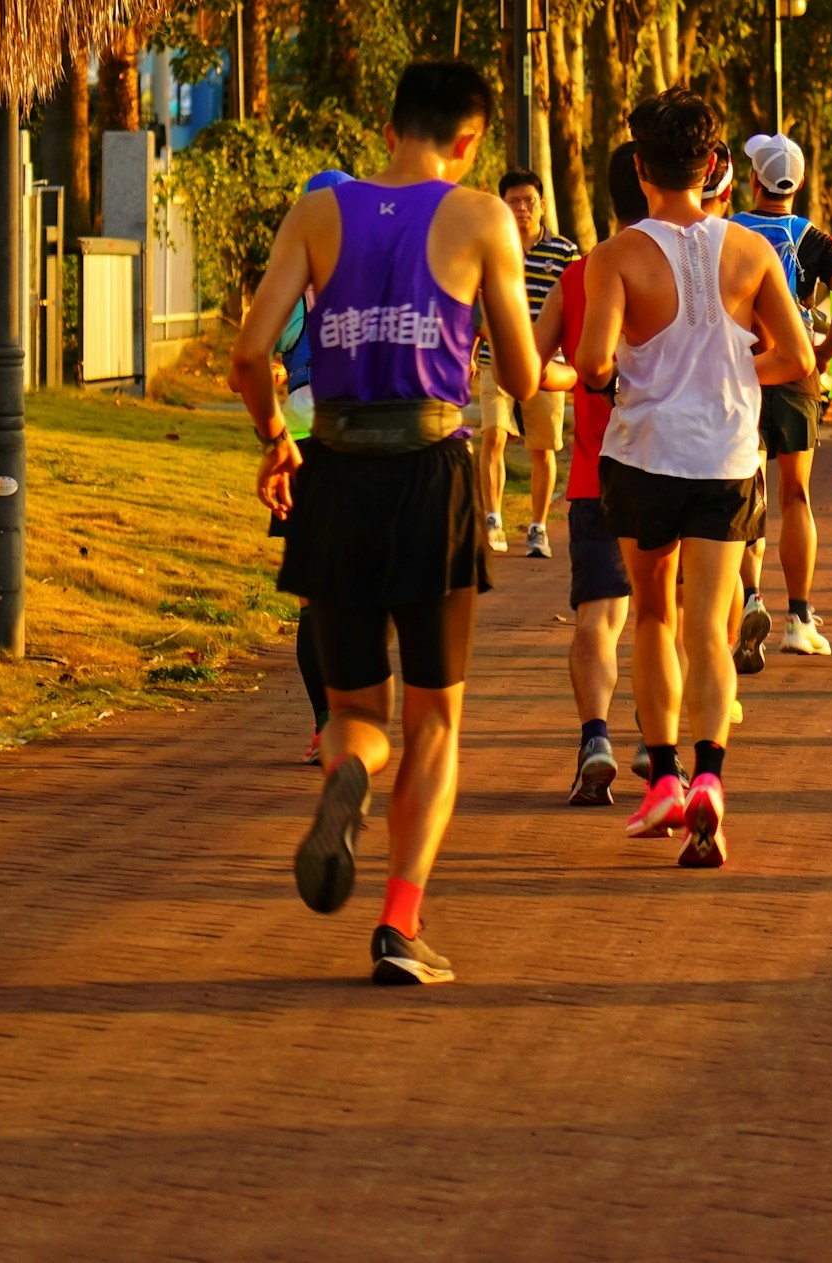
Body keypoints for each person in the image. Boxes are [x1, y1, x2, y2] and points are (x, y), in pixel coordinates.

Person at [231, 59, 561, 989]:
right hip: (430, 472)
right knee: (438, 717)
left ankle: (349, 774)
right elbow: (524, 374)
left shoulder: (318, 213)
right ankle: (399, 924)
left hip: (332, 467)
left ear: (388, 127)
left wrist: (275, 440)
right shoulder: (483, 217)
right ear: (469, 142)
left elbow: (252, 352)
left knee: (355, 714)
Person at [577, 87, 815, 870]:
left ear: (640, 165)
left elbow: (592, 363)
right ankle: (711, 774)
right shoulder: (747, 250)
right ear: (715, 166)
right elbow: (799, 359)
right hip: (725, 459)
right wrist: (739, 366)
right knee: (709, 626)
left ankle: (666, 779)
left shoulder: (616, 256)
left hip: (643, 455)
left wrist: (631, 370)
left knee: (651, 616)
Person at [534, 142, 647, 807]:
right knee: (668, 619)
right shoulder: (698, 264)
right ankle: (658, 742)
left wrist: (562, 376)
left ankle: (596, 738)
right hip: (677, 473)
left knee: (598, 621)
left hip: (595, 475)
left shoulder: (580, 274)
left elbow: (538, 365)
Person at [730, 131, 832, 661]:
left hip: (741, 370)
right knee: (796, 496)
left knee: (747, 492)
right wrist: (824, 354)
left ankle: (748, 601)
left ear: (753, 180)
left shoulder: (727, 230)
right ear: (799, 183)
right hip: (796, 371)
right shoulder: (813, 237)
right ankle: (798, 618)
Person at [275, 165, 356, 765]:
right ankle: (345, 720)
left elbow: (261, 351)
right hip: (362, 442)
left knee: (312, 596)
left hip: (304, 440)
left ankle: (329, 721)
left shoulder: (292, 275)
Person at [477, 168, 578, 560]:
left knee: (542, 447)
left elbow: (575, 305)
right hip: (495, 357)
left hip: (546, 363)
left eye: (528, 201)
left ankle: (538, 527)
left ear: (542, 204)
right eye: (513, 202)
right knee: (493, 434)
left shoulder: (565, 252)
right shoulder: (489, 248)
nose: (521, 209)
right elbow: (475, 303)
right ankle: (492, 517)